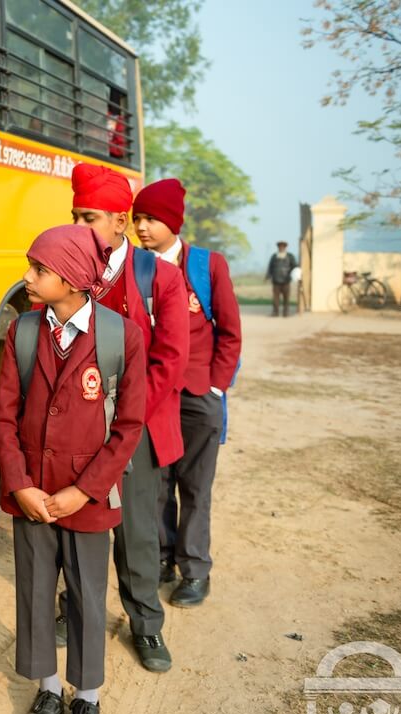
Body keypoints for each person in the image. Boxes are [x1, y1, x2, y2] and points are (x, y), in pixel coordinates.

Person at [0, 225, 146, 714]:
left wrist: (87, 490)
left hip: (88, 495)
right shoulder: (24, 332)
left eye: (38, 271)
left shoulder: (119, 335)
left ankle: (88, 698)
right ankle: (48, 688)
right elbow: (5, 418)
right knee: (35, 592)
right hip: (32, 493)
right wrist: (19, 485)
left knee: (85, 595)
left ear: (74, 279)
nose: (27, 278)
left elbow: (128, 425)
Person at [67, 163, 189, 673]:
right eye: (74, 215)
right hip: (76, 426)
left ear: (120, 220)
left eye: (88, 216)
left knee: (137, 531)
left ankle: (146, 625)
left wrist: (126, 420)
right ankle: (70, 613)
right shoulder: (68, 270)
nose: (78, 226)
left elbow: (171, 359)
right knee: (74, 527)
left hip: (135, 428)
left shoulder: (158, 276)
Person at [132, 178, 242, 608]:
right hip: (155, 394)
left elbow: (230, 333)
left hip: (198, 395)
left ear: (174, 223)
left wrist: (215, 386)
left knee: (195, 487)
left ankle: (195, 570)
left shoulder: (207, 267)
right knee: (156, 483)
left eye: (152, 219)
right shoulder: (135, 268)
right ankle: (161, 557)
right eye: (137, 218)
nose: (141, 227)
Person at [266, 241, 297, 317]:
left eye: (283, 246)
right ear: (278, 247)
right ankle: (275, 312)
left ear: (285, 247)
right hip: (276, 281)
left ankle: (285, 312)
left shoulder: (290, 256)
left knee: (286, 298)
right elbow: (270, 267)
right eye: (280, 246)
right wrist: (268, 276)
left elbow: (295, 267)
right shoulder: (274, 256)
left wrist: (294, 275)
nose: (281, 248)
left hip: (286, 281)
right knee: (275, 298)